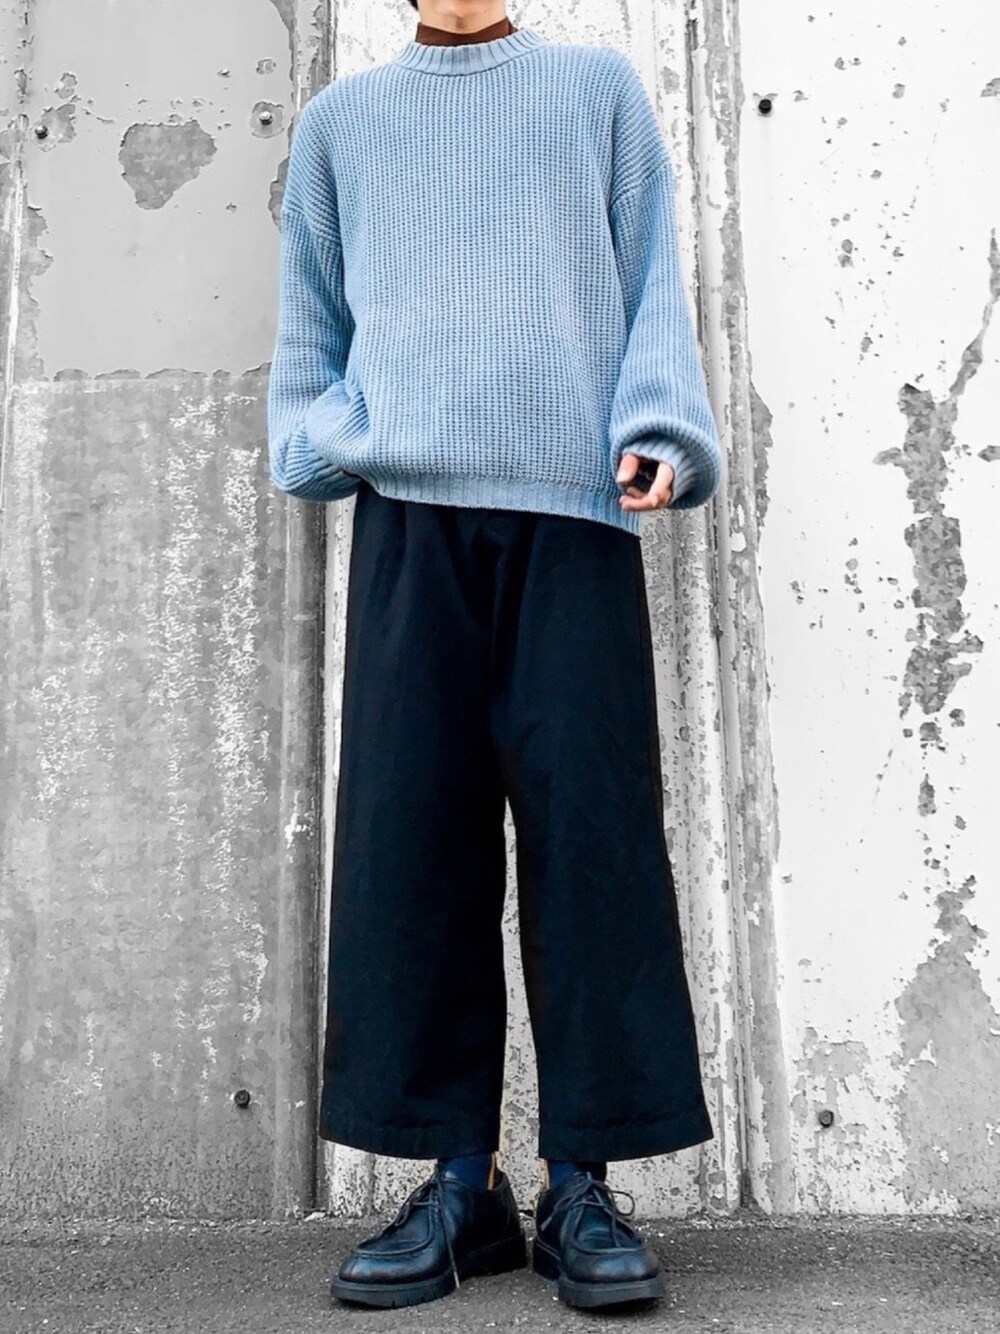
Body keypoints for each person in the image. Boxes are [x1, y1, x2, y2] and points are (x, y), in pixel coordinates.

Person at [267, 0, 723, 1313]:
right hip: (410, 526)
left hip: (574, 520)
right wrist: (338, 431)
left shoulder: (598, 94)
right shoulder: (343, 124)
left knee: (593, 839)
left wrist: (659, 426)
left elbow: (651, 284)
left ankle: (581, 1182)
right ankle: (461, 1185)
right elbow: (311, 332)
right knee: (411, 846)